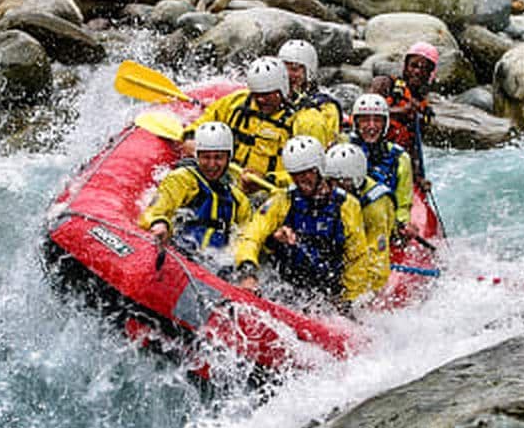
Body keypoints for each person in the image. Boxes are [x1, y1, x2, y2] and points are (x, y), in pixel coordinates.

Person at [235, 135, 368, 309]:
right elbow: (251, 237)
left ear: (320, 168)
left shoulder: (347, 206)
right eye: (295, 174)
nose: (301, 180)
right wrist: (248, 273)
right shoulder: (282, 201)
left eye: (307, 172)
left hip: (326, 291)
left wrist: (348, 301)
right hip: (284, 285)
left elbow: (357, 258)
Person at [183, 57, 327, 193]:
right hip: (225, 176)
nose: (260, 100)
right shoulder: (238, 101)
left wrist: (269, 179)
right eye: (256, 94)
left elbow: (314, 173)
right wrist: (191, 138)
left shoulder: (308, 121)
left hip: (268, 189)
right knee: (183, 172)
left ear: (282, 89)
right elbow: (204, 122)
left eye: (267, 94)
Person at [139, 121, 251, 252]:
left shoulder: (239, 199)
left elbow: (245, 239)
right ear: (197, 156)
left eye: (218, 158)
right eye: (206, 157)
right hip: (179, 253)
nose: (212, 164)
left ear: (228, 158)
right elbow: (154, 211)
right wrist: (159, 223)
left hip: (212, 265)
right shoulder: (182, 179)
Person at [324, 143, 395, 293]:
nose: (332, 188)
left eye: (339, 183)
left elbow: (377, 259)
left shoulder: (375, 207)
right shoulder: (335, 193)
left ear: (354, 180)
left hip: (370, 242)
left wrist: (360, 295)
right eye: (330, 181)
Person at [370, 41, 438, 184]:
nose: (418, 71)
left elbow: (414, 148)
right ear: (405, 67)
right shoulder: (384, 84)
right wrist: (399, 111)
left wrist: (418, 177)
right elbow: (364, 112)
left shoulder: (423, 110)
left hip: (395, 162)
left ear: (430, 74)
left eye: (424, 69)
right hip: (370, 152)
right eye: (414, 66)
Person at [349, 93, 416, 240]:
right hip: (349, 225)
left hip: (383, 227)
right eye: (365, 120)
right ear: (356, 123)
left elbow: (403, 204)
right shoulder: (342, 151)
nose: (371, 126)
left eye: (377, 120)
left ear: (385, 124)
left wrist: (402, 224)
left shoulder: (400, 158)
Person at [277, 39, 342, 146]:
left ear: (309, 72)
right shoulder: (270, 99)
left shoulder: (325, 109)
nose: (287, 74)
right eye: (284, 67)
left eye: (294, 69)